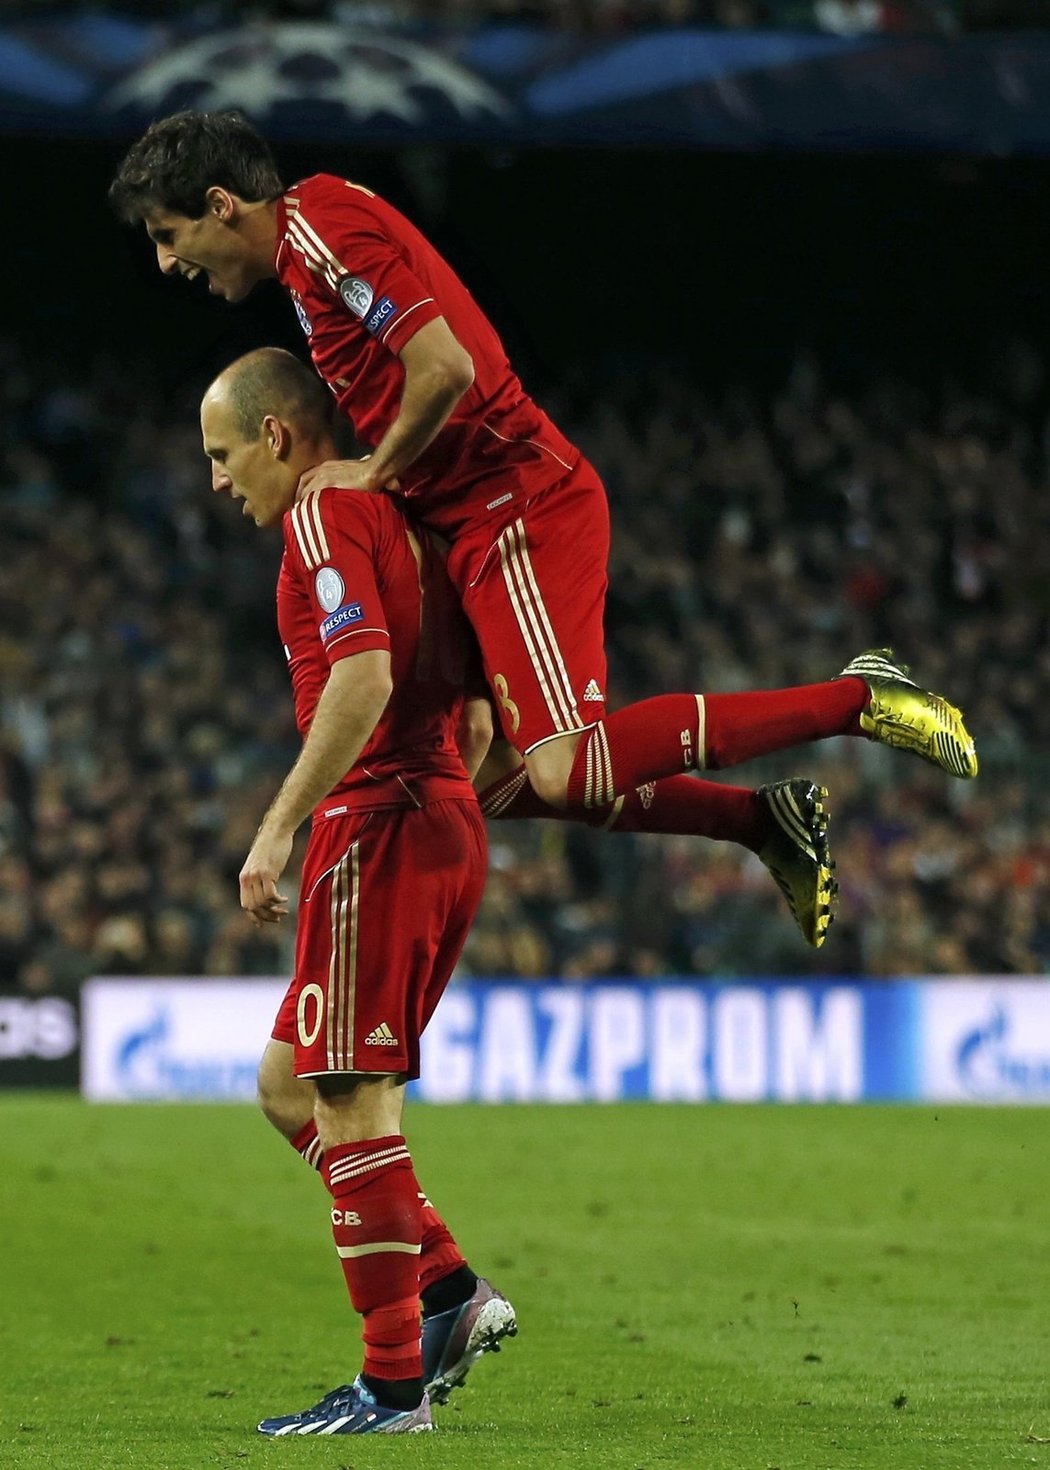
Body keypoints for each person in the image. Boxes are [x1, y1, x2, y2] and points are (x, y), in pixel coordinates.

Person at [110, 110, 978, 956]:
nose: (163, 258)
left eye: (167, 231)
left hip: (514, 505)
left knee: (564, 768)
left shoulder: (321, 236)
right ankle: (760, 821)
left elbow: (443, 366)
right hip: (466, 519)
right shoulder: (311, 254)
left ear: (223, 204)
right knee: (475, 774)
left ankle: (859, 701)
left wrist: (374, 471)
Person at [199, 345, 515, 1436]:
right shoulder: (420, 526)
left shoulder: (327, 518)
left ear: (278, 436)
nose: (219, 478)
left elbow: (364, 674)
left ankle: (390, 1390)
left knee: (351, 1102)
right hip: (437, 815)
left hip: (375, 823)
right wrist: (440, 811)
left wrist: (281, 829)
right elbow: (477, 718)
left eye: (224, 452)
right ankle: (444, 1290)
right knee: (291, 1090)